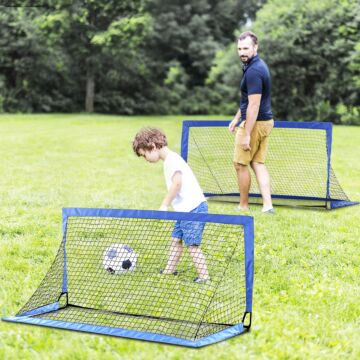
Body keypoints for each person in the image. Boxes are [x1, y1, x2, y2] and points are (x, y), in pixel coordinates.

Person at [132, 127, 210, 283]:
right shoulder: (170, 159)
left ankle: (204, 277)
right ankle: (169, 271)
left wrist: (164, 204)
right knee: (176, 240)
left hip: (193, 209)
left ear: (153, 146)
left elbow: (177, 184)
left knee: (192, 244)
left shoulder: (171, 161)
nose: (146, 159)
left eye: (144, 155)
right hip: (183, 211)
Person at [228, 31, 275, 214]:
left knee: (240, 164)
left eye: (246, 48)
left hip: (255, 123)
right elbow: (249, 100)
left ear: (255, 47)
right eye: (239, 49)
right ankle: (268, 205)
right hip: (266, 122)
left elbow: (254, 105)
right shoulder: (256, 66)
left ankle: (243, 205)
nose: (242, 52)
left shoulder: (254, 71)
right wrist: (237, 117)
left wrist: (246, 133)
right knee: (258, 163)